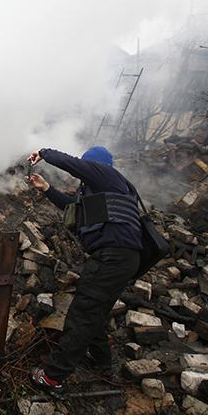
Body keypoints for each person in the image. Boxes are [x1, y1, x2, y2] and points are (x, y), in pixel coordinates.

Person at [26, 146, 142, 399]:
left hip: (113, 256)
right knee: (94, 311)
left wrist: (44, 152)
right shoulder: (101, 191)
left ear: (96, 166)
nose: (82, 176)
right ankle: (101, 361)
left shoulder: (107, 175)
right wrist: (46, 188)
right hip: (121, 258)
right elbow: (73, 209)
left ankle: (54, 377)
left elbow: (72, 164)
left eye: (86, 169)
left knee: (82, 313)